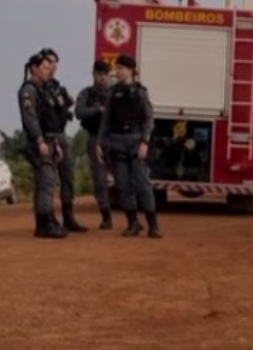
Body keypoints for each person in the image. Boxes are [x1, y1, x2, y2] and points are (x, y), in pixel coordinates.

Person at [95, 53, 161, 238]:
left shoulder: (140, 92)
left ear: (131, 70)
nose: (118, 72)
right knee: (123, 185)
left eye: (121, 68)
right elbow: (106, 120)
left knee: (142, 184)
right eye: (117, 68)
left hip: (135, 140)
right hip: (117, 142)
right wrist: (100, 142)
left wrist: (144, 142)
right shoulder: (113, 93)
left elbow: (148, 119)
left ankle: (153, 225)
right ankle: (132, 223)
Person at [37, 48, 87, 232]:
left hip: (60, 134)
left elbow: (63, 106)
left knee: (68, 175)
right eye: (49, 63)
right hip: (46, 136)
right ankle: (47, 219)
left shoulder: (57, 86)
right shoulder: (36, 87)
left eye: (55, 63)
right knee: (47, 180)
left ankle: (68, 216)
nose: (52, 67)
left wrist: (66, 105)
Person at [18, 53, 66, 238]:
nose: (48, 71)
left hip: (49, 139)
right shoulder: (29, 91)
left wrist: (55, 143)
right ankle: (45, 223)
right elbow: (30, 119)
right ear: (34, 69)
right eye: (44, 68)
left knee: (44, 182)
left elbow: (50, 120)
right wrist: (39, 140)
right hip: (40, 142)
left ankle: (45, 221)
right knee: (46, 182)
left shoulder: (43, 89)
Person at [75, 59, 114, 229]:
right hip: (95, 137)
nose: (102, 78)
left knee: (125, 177)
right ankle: (106, 215)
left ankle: (132, 216)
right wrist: (97, 110)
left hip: (115, 138)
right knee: (99, 179)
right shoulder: (86, 94)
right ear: (93, 75)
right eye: (98, 75)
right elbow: (78, 112)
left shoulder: (115, 93)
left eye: (104, 75)